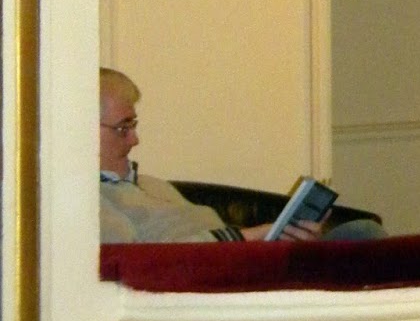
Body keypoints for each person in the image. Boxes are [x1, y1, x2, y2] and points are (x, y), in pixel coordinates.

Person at [99, 67, 380, 243]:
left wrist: (284, 237)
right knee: (363, 237)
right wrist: (251, 236)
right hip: (214, 289)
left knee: (362, 233)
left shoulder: (153, 185)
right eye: (123, 128)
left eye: (133, 125)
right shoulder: (90, 202)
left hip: (246, 266)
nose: (135, 139)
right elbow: (137, 260)